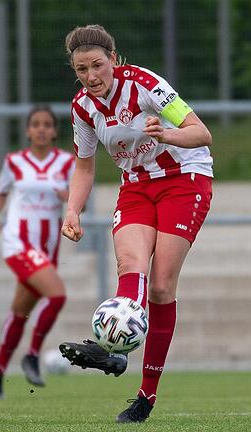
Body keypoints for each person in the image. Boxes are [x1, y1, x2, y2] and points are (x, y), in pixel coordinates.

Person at [57, 25, 213, 423]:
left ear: (113, 59)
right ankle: (112, 350)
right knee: (131, 266)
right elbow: (84, 167)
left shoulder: (146, 85)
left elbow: (201, 132)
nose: (91, 76)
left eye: (97, 65)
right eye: (81, 69)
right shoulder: (82, 108)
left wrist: (168, 133)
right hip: (137, 188)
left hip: (185, 180)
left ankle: (146, 395)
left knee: (160, 287)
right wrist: (73, 210)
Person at [0, 106, 75, 399]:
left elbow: (77, 202)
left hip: (48, 249)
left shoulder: (66, 162)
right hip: (18, 244)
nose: (42, 129)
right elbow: (1, 191)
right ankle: (32, 355)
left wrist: (70, 199)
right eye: (36, 124)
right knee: (57, 295)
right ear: (27, 130)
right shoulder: (14, 162)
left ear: (55, 130)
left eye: (47, 124)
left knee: (20, 313)